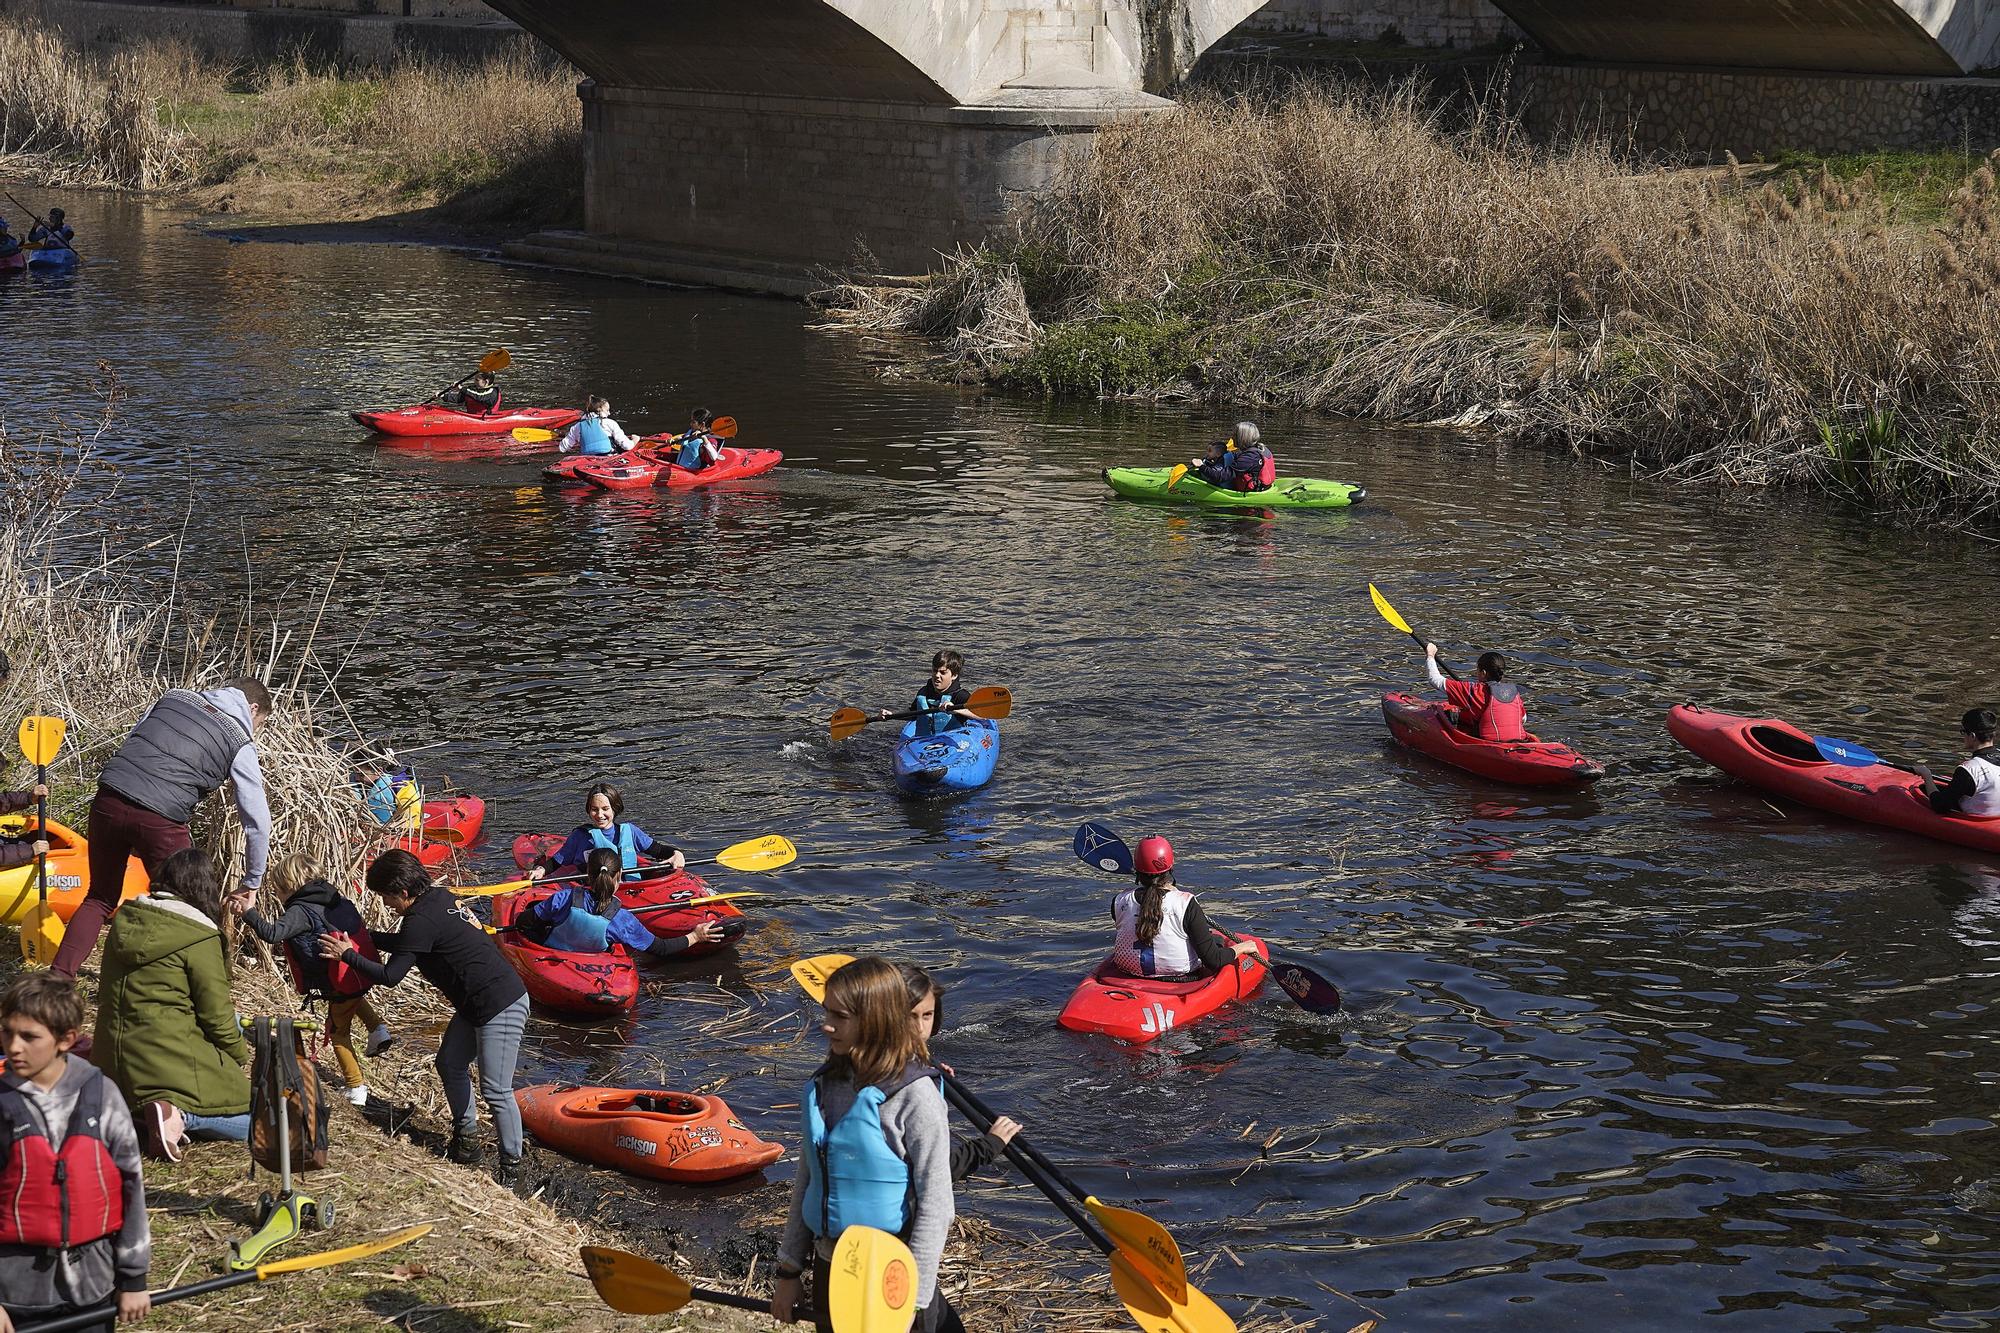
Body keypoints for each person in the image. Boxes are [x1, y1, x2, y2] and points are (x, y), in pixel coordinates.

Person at [320, 849, 529, 1186]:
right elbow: (411, 945)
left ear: (403, 891)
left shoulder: (420, 919)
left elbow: (390, 976)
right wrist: (365, 940)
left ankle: (513, 1169)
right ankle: (468, 1141)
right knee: (449, 1064)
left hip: (500, 1003)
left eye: (387, 896)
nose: (387, 904)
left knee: (496, 1090)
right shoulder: (436, 899)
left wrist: (348, 955)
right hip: (475, 1003)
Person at [774, 956, 958, 1333]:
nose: (826, 1026)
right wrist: (789, 1270)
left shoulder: (916, 1097)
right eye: (827, 1012)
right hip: (834, 1267)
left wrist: (913, 1302)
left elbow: (937, 1206)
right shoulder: (825, 1086)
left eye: (839, 1017)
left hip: (894, 1271)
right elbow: (807, 1180)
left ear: (874, 1020)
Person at [52, 676, 272, 978]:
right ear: (253, 707)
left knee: (100, 897)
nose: (255, 731)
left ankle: (57, 981)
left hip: (110, 798)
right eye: (259, 723)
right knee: (191, 909)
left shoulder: (173, 697)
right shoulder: (239, 739)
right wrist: (252, 881)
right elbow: (257, 820)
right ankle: (201, 989)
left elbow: (135, 740)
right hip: (161, 818)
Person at [0, 973, 150, 1333]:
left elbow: (131, 1186)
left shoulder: (103, 1095)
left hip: (91, 1287)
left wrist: (133, 1279)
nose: (13, 1047)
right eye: (7, 1033)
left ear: (66, 1039)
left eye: (29, 1037)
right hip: (15, 1295)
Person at [93, 847, 251, 1159]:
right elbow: (216, 1016)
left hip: (111, 1063)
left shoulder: (125, 920)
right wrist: (239, 1054)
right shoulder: (199, 935)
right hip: (163, 1063)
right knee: (260, 1121)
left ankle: (139, 1114)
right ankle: (178, 1117)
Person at [228, 851, 395, 1107]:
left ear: (289, 886)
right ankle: (378, 1029)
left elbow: (272, 933)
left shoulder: (300, 910)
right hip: (355, 973)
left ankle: (356, 1087)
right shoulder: (335, 898)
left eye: (278, 890)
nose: (278, 896)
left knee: (339, 1033)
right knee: (351, 999)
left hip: (336, 980)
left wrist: (249, 913)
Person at [896, 962, 1020, 1182]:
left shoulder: (864, 1064)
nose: (920, 1029)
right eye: (910, 1016)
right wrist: (991, 1144)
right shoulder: (914, 1090)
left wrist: (926, 1071)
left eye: (927, 1015)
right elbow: (937, 1172)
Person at [519, 847, 722, 958]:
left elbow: (523, 923)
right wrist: (696, 936)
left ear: (587, 875)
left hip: (554, 955)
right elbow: (660, 948)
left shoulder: (562, 898)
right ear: (620, 877)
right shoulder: (623, 919)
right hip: (595, 963)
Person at [1108, 836, 1261, 980]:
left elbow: (1147, 912)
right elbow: (1213, 960)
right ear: (1170, 867)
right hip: (1179, 981)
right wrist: (1242, 948)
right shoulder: (1185, 903)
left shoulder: (1119, 901)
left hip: (1128, 975)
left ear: (1138, 871)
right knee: (1216, 942)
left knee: (1215, 939)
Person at [526, 782, 686, 883]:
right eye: (594, 810)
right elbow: (557, 862)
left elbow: (657, 850)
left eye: (605, 809)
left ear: (615, 809)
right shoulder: (580, 836)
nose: (600, 815)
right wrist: (540, 870)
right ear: (588, 810)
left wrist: (677, 853)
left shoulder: (630, 831)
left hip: (632, 890)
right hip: (596, 892)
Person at [1422, 643, 1527, 742]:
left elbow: (1435, 680)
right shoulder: (1514, 692)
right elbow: (1523, 719)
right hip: (1518, 742)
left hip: (1490, 746)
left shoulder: (1475, 690)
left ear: (1483, 673)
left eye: (1477, 670)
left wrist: (1430, 655)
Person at [1917, 708, 2000, 816]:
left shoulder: (1969, 770)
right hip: (1995, 816)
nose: (1963, 737)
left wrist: (1927, 776)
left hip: (1977, 822)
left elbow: (1940, 806)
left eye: (1963, 732)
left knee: (1925, 789)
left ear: (1972, 736)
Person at [880, 650, 974, 737]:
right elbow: (913, 713)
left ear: (954, 675)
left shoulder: (961, 696)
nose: (937, 675)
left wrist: (957, 710)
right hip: (924, 742)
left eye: (942, 672)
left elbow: (981, 717)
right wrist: (891, 715)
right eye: (935, 670)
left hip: (952, 743)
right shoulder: (923, 693)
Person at [1189, 421, 1274, 493]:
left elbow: (1221, 477)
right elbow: (1235, 455)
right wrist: (1216, 455)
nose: (1232, 438)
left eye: (1235, 435)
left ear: (1242, 437)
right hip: (1264, 486)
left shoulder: (1248, 458)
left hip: (1254, 492)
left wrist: (1201, 466)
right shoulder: (1259, 448)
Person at [555, 395, 639, 457]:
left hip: (587, 460)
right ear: (599, 410)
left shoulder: (577, 427)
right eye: (607, 410)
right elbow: (627, 446)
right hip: (608, 458)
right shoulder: (610, 423)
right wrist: (635, 440)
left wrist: (572, 436)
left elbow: (562, 448)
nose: (609, 413)